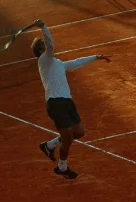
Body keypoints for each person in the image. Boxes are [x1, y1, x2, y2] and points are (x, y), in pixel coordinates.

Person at [31, 19, 110, 181]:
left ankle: (49, 145)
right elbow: (51, 45)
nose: (47, 47)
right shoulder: (43, 61)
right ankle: (62, 167)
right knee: (67, 137)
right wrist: (43, 27)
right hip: (55, 102)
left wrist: (95, 57)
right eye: (43, 46)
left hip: (67, 101)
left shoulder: (58, 63)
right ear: (40, 51)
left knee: (78, 132)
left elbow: (76, 63)